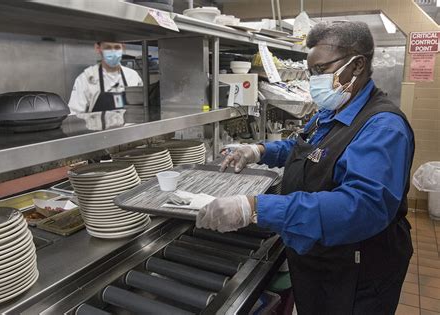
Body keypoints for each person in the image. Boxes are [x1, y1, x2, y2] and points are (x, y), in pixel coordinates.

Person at [197, 21, 415, 315]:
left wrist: (255, 207)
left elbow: (361, 206)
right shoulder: (333, 111)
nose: (315, 81)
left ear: (358, 65)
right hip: (321, 259)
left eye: (322, 70)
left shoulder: (383, 127)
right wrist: (257, 150)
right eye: (311, 72)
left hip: (357, 270)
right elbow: (304, 148)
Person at [68, 41, 143, 114]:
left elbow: (141, 108)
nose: (113, 52)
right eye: (108, 48)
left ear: (123, 48)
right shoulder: (86, 78)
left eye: (117, 47)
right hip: (97, 126)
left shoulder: (133, 75)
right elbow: (75, 114)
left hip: (130, 126)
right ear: (98, 48)